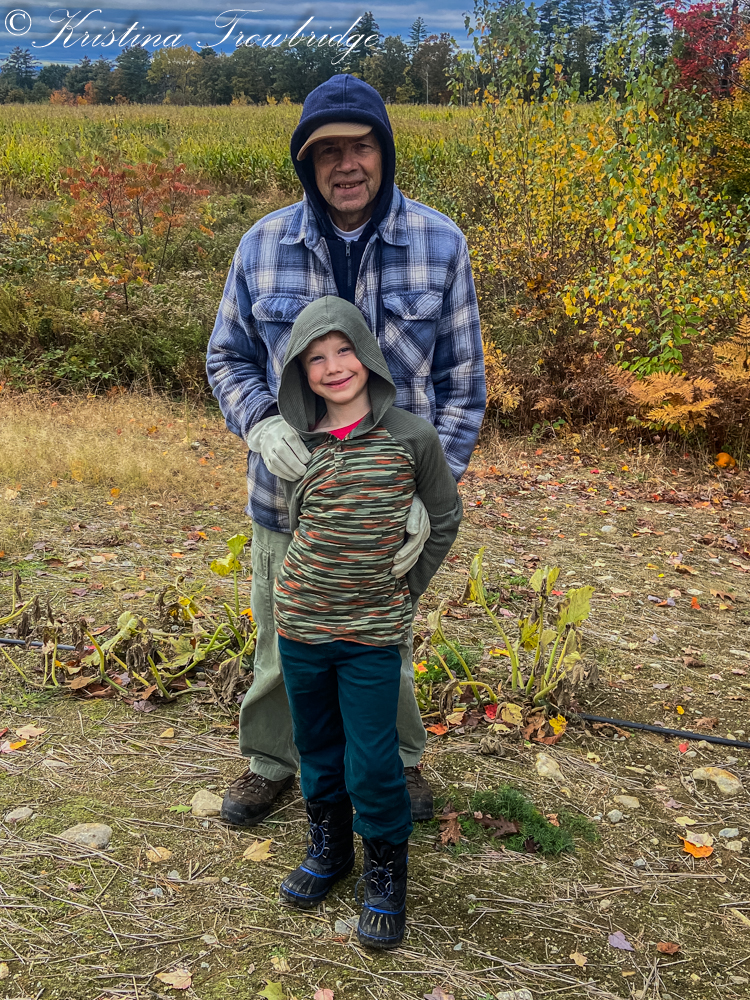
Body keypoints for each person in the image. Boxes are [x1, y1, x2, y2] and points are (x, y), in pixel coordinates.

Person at [206, 74, 485, 828]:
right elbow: (227, 357)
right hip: (286, 498)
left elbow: (462, 386)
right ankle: (272, 761)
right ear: (308, 164)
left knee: (381, 641)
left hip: (384, 504)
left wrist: (430, 489)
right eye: (327, 151)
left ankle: (397, 760)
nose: (346, 164)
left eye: (360, 145)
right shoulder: (263, 246)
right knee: (279, 636)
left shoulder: (440, 244)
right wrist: (261, 421)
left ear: (384, 151)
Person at [273, 295, 462, 950]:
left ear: (369, 355)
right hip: (301, 626)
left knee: (375, 759)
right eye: (315, 359)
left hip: (371, 635)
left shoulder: (412, 437)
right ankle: (329, 850)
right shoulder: (298, 443)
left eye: (344, 350)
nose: (333, 367)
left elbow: (445, 518)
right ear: (300, 374)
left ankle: (385, 875)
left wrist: (405, 589)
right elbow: (301, 523)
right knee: (316, 746)